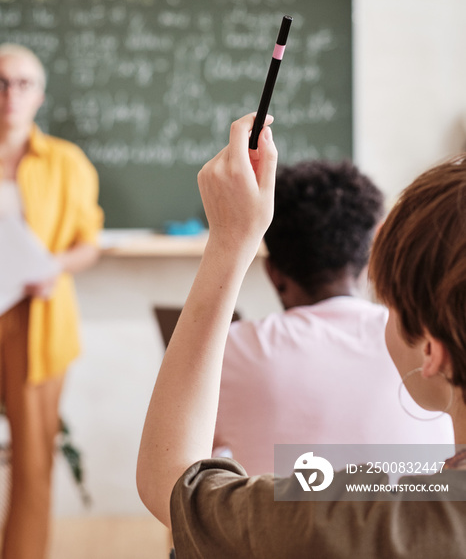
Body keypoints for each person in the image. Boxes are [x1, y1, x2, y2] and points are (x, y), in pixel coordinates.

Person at [137, 114, 466, 557]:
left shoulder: (363, 520)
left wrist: (230, 241)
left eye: (390, 304)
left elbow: (172, 486)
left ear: (431, 349)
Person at [213, 160, 453, 474]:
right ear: (371, 257)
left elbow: (181, 470)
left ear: (274, 274)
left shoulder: (232, 350)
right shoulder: (421, 337)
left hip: (281, 520)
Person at [0, 44, 103, 559]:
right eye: (0, 82)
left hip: (36, 322)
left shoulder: (67, 162)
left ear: (39, 94)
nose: (9, 94)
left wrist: (51, 268)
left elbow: (89, 243)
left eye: (22, 83)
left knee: (32, 456)